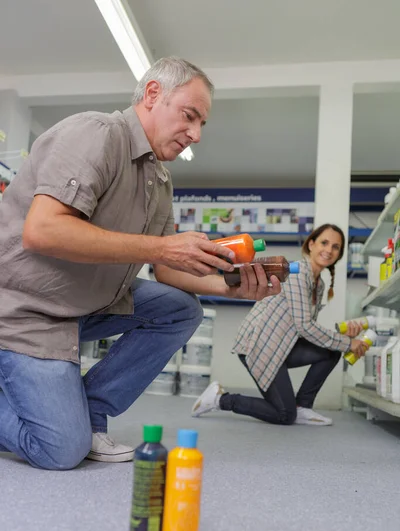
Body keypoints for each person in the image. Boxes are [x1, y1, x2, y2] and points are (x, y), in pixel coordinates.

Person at [0, 57, 281, 470]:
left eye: (202, 123)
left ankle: (90, 410)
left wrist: (230, 287)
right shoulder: (96, 135)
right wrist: (162, 249)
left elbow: (168, 272)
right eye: (190, 116)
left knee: (180, 310)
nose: (197, 134)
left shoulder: (160, 179)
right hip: (25, 311)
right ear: (152, 95)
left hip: (79, 306)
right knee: (60, 450)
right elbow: (42, 231)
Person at [192, 223, 370, 426]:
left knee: (330, 351)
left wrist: (342, 336)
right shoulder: (297, 273)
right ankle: (219, 399)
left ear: (339, 254)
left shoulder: (317, 283)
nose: (329, 250)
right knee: (284, 415)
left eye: (335, 247)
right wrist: (348, 344)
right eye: (324, 243)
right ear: (311, 244)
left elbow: (306, 328)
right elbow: (304, 326)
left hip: (281, 346)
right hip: (260, 344)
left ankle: (302, 407)